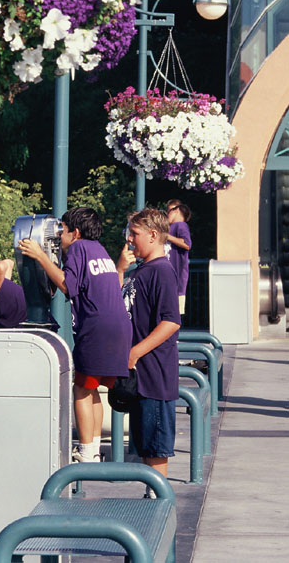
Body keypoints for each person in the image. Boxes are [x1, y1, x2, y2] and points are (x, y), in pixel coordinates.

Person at [18, 207, 132, 464]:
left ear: (76, 232)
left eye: (63, 232)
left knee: (80, 387)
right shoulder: (99, 249)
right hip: (119, 328)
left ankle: (86, 450)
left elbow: (68, 286)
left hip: (97, 329)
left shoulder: (79, 249)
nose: (60, 238)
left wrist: (40, 256)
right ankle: (93, 450)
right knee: (92, 388)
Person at [117, 207, 181, 494]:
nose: (130, 239)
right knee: (145, 448)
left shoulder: (162, 272)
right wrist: (119, 269)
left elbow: (171, 321)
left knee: (155, 450)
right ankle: (151, 501)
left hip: (154, 376)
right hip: (141, 378)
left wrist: (135, 352)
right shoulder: (140, 270)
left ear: (154, 235)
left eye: (135, 233)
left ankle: (158, 508)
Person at [165, 199, 192, 318]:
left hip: (176, 279)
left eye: (169, 211)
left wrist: (166, 236)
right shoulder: (172, 227)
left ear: (177, 210)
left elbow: (186, 244)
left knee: (172, 314)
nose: (167, 214)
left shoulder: (180, 225)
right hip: (169, 277)